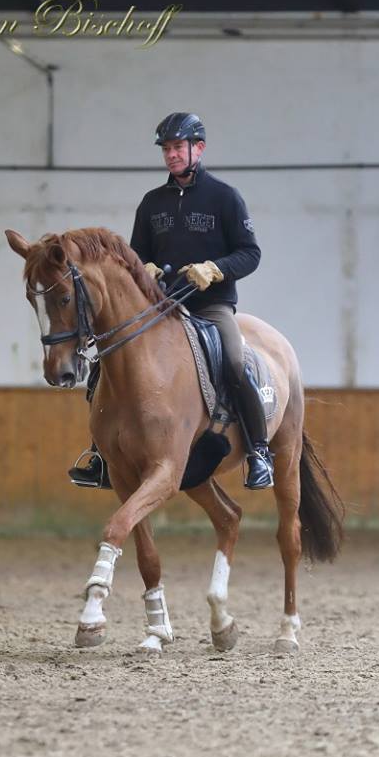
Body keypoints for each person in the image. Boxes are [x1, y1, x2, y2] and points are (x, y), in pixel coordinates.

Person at [69, 112, 275, 490]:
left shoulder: (225, 198)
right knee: (105, 362)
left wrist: (215, 268)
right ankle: (100, 454)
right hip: (162, 307)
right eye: (166, 148)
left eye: (178, 147)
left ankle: (260, 452)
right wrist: (143, 268)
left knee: (233, 358)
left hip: (210, 307)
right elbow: (134, 255)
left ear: (199, 148)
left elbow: (251, 253)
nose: (171, 155)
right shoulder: (152, 203)